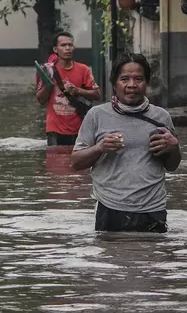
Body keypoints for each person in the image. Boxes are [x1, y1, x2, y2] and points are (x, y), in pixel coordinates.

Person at [71, 53, 181, 233]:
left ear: (146, 83)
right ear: (114, 83)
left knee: (155, 259)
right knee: (110, 259)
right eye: (125, 79)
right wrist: (100, 148)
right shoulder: (96, 115)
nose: (132, 85)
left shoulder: (162, 117)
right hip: (110, 208)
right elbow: (76, 162)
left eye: (138, 79)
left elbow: (172, 165)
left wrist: (174, 147)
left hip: (153, 209)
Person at [36, 31, 101, 146]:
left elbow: (97, 94)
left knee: (77, 162)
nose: (67, 48)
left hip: (79, 128)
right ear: (55, 49)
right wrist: (48, 83)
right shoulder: (46, 70)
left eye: (70, 45)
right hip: (54, 130)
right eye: (63, 45)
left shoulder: (83, 69)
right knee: (55, 162)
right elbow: (41, 100)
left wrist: (78, 90)